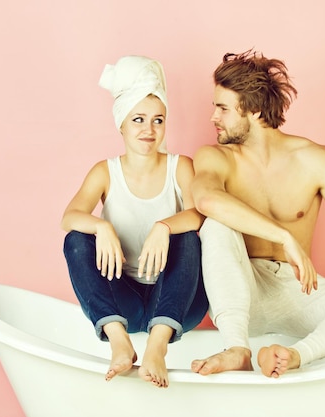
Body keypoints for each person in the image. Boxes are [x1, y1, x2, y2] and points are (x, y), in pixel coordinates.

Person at [190, 50, 325, 378]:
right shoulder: (216, 157)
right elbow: (206, 200)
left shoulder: (315, 159)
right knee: (216, 226)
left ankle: (293, 355)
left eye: (222, 108)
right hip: (242, 287)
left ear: (255, 109)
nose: (213, 117)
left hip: (299, 291)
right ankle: (237, 348)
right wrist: (283, 235)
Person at [61, 55, 208, 388]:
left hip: (176, 303)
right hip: (122, 302)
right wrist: (101, 226)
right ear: (122, 124)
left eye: (158, 120)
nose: (149, 130)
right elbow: (69, 217)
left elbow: (202, 214)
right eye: (138, 119)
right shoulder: (105, 171)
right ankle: (119, 342)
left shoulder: (180, 166)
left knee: (188, 235)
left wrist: (165, 225)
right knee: (75, 239)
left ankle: (157, 348)